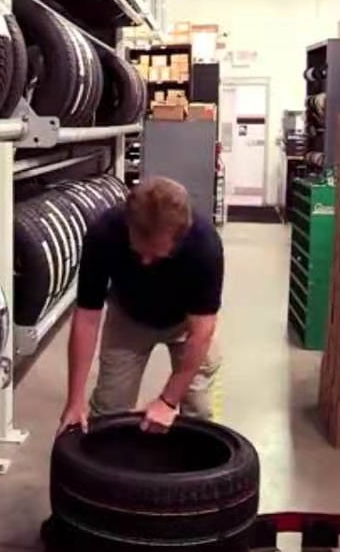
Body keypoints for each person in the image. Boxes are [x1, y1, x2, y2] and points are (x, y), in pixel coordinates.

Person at [57, 176, 223, 436]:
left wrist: (168, 401)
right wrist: (74, 401)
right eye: (138, 251)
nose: (145, 262)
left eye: (157, 255)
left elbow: (202, 331)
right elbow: (87, 319)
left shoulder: (204, 244)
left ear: (179, 238)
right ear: (128, 224)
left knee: (199, 411)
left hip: (186, 324)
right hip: (128, 317)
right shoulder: (104, 233)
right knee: (109, 410)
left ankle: (194, 472)